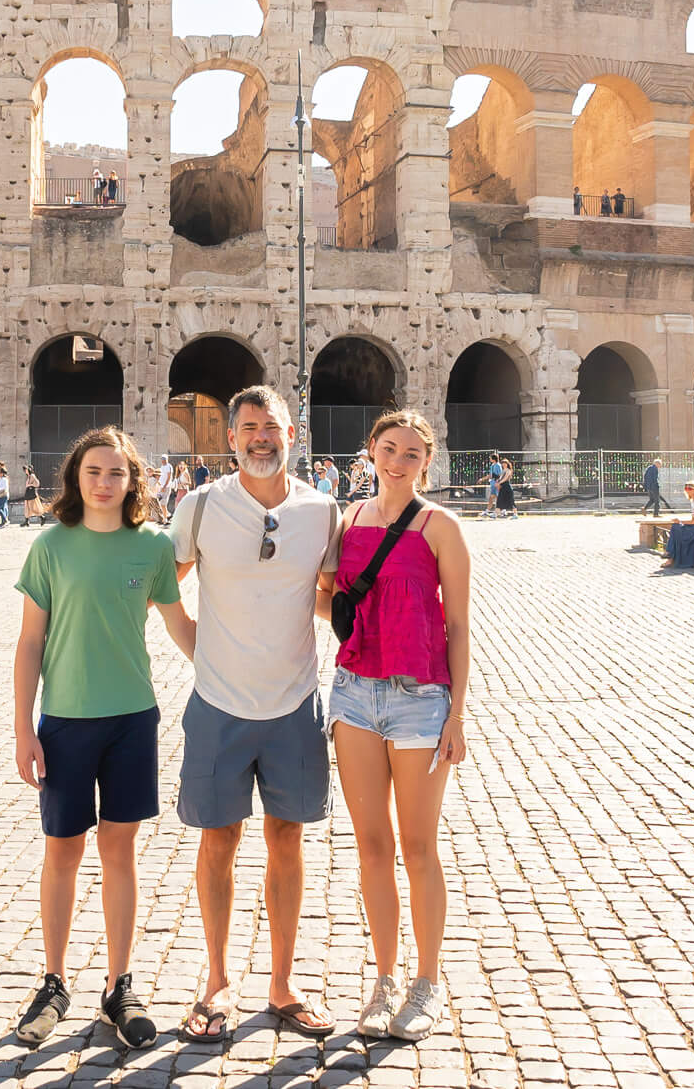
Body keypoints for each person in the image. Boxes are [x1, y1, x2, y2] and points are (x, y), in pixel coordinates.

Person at [168, 386, 341, 1045]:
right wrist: (197, 649)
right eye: (249, 428)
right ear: (232, 437)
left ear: (291, 431)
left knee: (287, 841)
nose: (261, 437)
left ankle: (283, 982)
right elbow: (167, 585)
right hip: (218, 706)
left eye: (272, 426)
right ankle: (216, 981)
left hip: (295, 702)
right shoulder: (202, 505)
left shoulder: (322, 510)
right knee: (218, 840)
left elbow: (324, 597)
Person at [10, 427, 192, 1050]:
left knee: (121, 852)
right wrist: (22, 729)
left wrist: (236, 675)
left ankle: (120, 986)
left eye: (116, 472)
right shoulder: (51, 546)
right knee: (62, 852)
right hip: (64, 722)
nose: (104, 482)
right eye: (93, 471)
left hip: (132, 720)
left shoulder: (154, 548)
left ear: (133, 480)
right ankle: (54, 981)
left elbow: (179, 626)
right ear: (76, 478)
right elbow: (30, 642)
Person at [316, 410, 471, 1041]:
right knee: (372, 847)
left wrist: (456, 714)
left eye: (411, 453)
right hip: (355, 693)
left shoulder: (442, 528)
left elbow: (458, 625)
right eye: (388, 449)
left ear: (426, 462)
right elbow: (326, 597)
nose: (398, 462)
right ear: (369, 452)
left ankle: (426, 981)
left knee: (419, 848)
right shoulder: (347, 520)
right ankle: (384, 979)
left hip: (419, 698)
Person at [661, 481, 694, 569]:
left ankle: (670, 555)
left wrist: (680, 521)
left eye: (689, 489)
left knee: (677, 529)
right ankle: (671, 557)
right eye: (686, 489)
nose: (687, 491)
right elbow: (693, 520)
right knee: (676, 528)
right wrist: (679, 522)